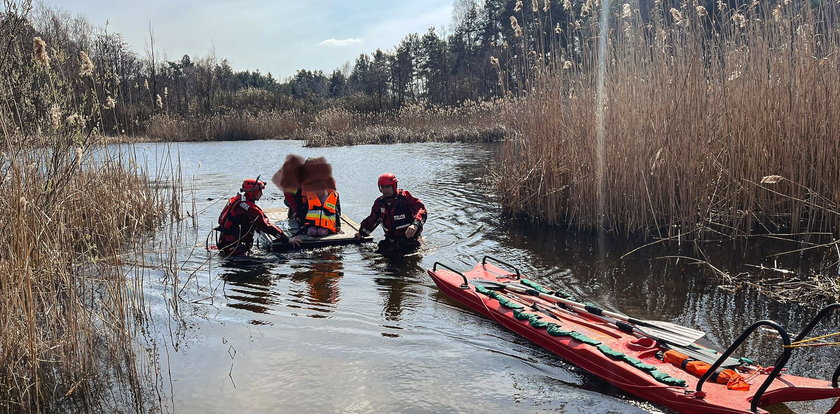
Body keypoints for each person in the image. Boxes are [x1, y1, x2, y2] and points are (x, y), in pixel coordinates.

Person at [217, 177, 300, 256]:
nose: (262, 194)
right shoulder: (250, 208)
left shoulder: (237, 200)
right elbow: (265, 224)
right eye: (260, 191)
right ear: (254, 192)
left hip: (225, 244)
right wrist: (287, 239)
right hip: (234, 249)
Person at [355, 173, 427, 255]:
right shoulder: (379, 203)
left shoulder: (405, 198)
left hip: (409, 241)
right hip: (391, 240)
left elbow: (421, 210)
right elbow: (372, 220)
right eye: (383, 187)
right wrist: (361, 233)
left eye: (388, 187)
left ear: (394, 186)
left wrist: (415, 224)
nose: (385, 190)